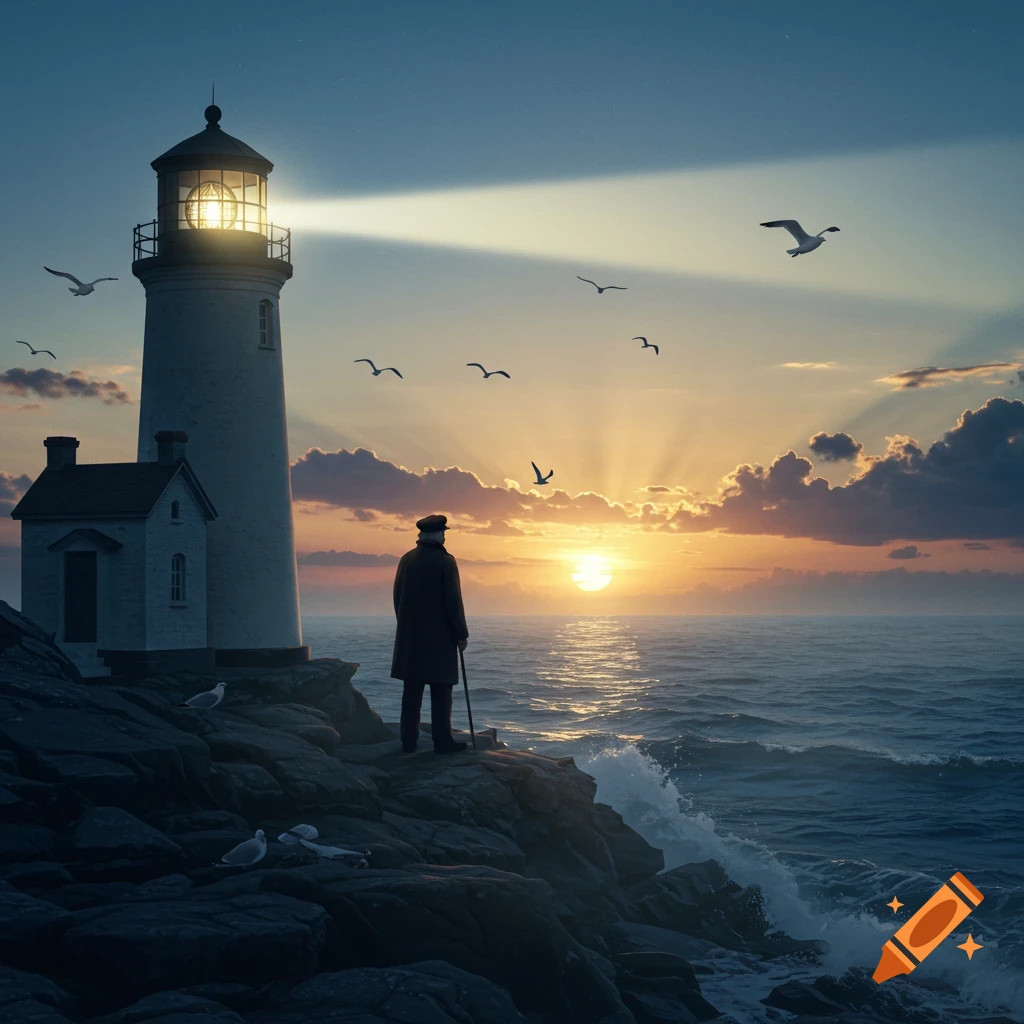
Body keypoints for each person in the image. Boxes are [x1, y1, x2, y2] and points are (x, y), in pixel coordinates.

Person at [391, 513, 469, 755]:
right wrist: (461, 634)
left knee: (411, 691)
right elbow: (453, 601)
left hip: (410, 638)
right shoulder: (446, 561)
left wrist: (405, 624)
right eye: (443, 532)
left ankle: (408, 741)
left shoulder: (407, 559)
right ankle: (442, 741)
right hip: (439, 639)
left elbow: (397, 596)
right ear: (437, 535)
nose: (445, 535)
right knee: (442, 689)